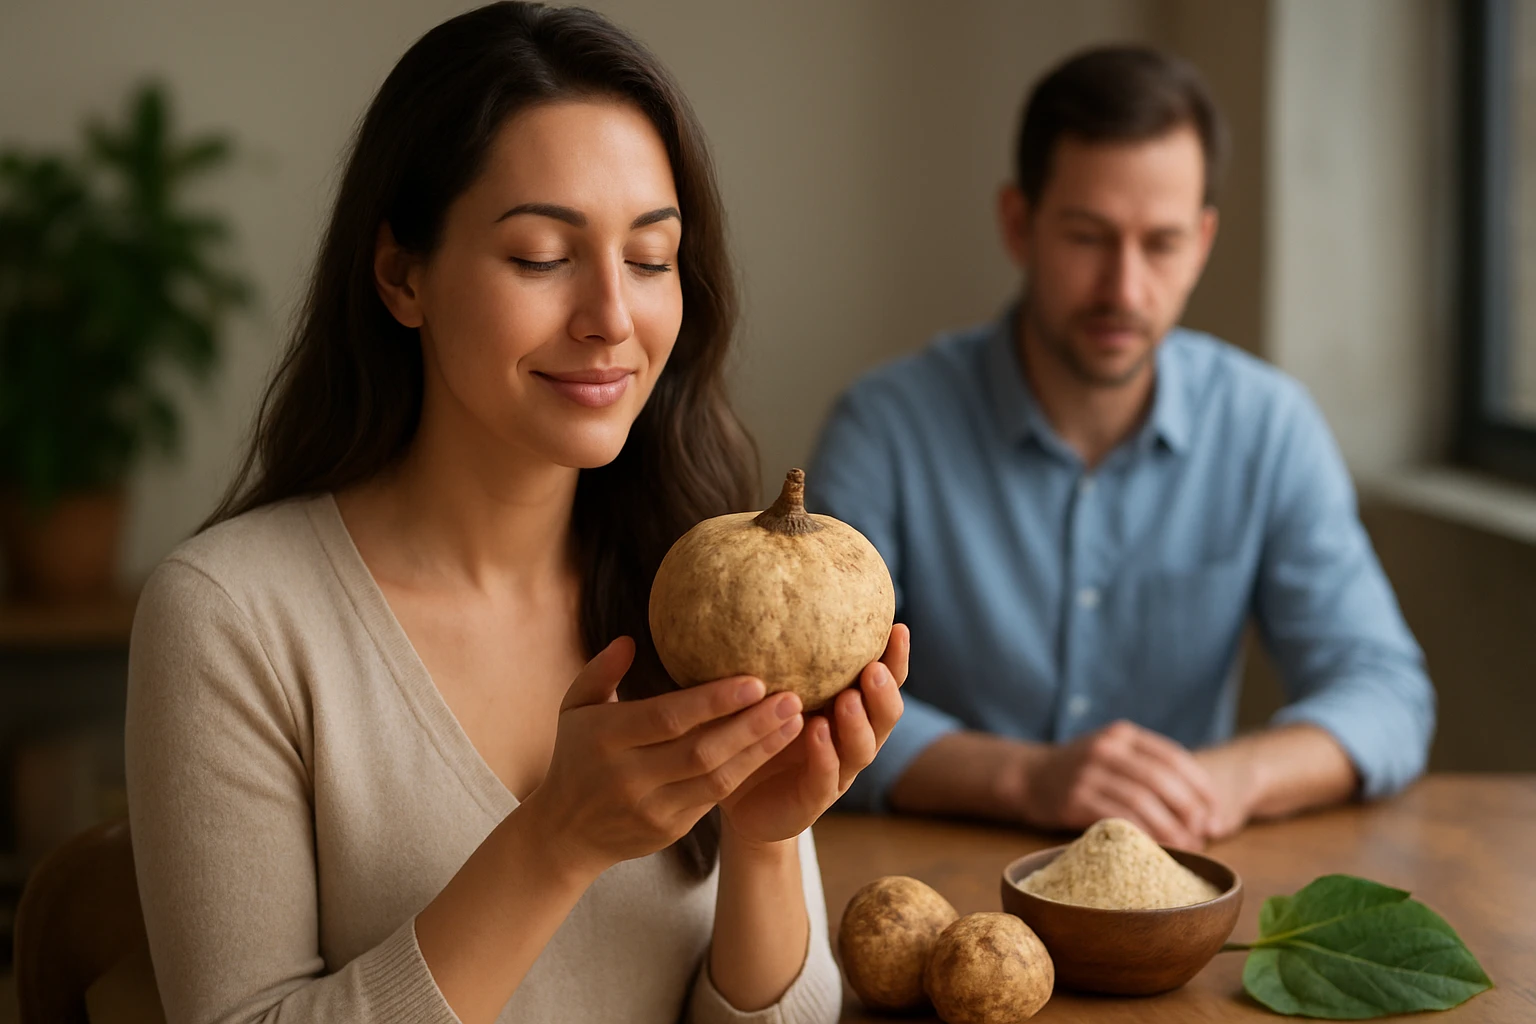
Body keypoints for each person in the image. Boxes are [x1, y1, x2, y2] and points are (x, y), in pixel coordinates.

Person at [124, 5, 906, 1023]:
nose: (613, 319)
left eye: (652, 258)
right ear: (403, 275)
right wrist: (555, 840)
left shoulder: (707, 594)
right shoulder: (231, 617)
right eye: (542, 256)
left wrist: (762, 839)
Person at [808, 45, 1432, 850]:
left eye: (1162, 243)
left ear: (1203, 241)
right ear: (1018, 224)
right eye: (1088, 237)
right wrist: (1026, 779)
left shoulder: (1268, 426)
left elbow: (1385, 691)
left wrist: (1224, 780)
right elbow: (821, 699)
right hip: (938, 884)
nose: (1125, 290)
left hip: (1180, 878)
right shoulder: (884, 426)